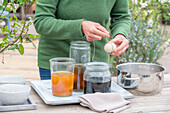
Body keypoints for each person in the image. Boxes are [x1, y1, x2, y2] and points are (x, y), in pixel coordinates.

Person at [33, 0, 131, 80]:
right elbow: (41, 21)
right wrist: (80, 27)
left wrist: (120, 34)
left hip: (97, 65)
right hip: (59, 66)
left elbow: (121, 17)